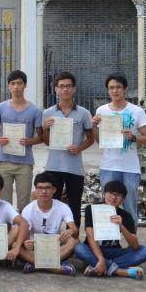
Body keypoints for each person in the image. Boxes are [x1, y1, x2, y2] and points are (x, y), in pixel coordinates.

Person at [93, 73, 146, 220]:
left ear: (125, 89)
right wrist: (93, 126)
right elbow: (100, 142)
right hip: (109, 166)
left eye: (118, 87)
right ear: (107, 90)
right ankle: (109, 241)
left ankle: (132, 239)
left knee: (130, 205)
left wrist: (134, 137)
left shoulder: (137, 111)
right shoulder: (101, 111)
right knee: (109, 206)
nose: (115, 91)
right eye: (111, 88)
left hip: (130, 167)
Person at [42, 72, 94, 229]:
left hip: (74, 167)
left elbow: (91, 138)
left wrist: (79, 148)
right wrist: (45, 128)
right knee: (52, 204)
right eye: (61, 86)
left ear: (74, 89)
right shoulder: (47, 113)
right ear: (56, 89)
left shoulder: (84, 113)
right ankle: (52, 236)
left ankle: (73, 239)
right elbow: (45, 141)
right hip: (53, 167)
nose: (65, 89)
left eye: (68, 86)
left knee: (74, 205)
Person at [0, 70, 43, 209]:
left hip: (24, 163)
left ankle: (22, 230)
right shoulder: (0, 108)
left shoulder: (35, 110)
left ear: (25, 85)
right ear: (8, 86)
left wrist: (30, 141)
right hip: (4, 161)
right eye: (13, 83)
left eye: (19, 83)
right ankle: (7, 229)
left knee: (24, 203)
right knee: (3, 202)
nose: (16, 87)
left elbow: (41, 136)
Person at [75, 180, 146, 279]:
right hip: (93, 250)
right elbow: (90, 236)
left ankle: (98, 267)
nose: (113, 197)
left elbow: (135, 245)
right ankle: (119, 271)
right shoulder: (91, 209)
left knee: (144, 251)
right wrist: (101, 258)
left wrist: (121, 226)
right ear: (104, 194)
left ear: (123, 200)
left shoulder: (125, 216)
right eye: (110, 193)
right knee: (79, 248)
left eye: (118, 195)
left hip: (114, 251)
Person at [18, 172, 78, 276]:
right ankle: (54, 267)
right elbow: (24, 236)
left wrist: (71, 231)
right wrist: (26, 243)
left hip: (55, 247)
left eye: (47, 188)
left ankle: (35, 264)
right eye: (40, 188)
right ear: (35, 190)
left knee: (74, 241)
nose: (43, 191)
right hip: (34, 248)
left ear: (54, 190)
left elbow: (75, 230)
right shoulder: (28, 209)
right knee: (16, 246)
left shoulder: (62, 207)